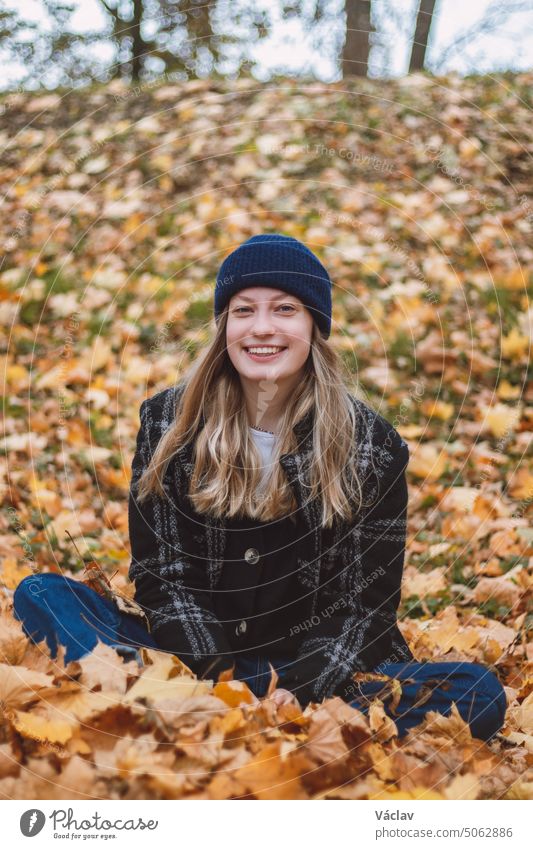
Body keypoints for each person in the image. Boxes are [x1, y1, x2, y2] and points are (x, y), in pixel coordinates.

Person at [13, 233, 507, 741]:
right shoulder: (169, 423)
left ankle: (177, 714)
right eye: (244, 310)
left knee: (478, 693)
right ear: (225, 325)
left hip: (317, 678)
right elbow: (164, 579)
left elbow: (366, 609)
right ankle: (217, 713)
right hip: (190, 659)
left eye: (286, 309)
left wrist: (301, 689)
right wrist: (219, 681)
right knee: (43, 595)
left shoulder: (373, 448)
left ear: (316, 326)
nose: (262, 328)